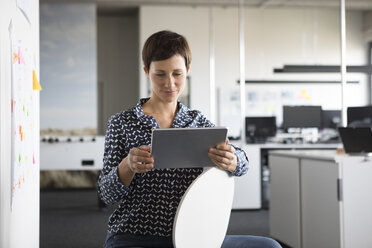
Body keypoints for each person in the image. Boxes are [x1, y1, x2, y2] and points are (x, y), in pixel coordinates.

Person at [98, 30, 281, 248]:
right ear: (146, 70)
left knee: (269, 246)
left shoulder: (197, 121)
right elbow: (106, 194)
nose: (170, 83)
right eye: (160, 74)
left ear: (187, 70)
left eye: (177, 74)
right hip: (134, 235)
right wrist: (127, 166)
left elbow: (242, 163)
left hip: (196, 234)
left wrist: (233, 160)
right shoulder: (121, 123)